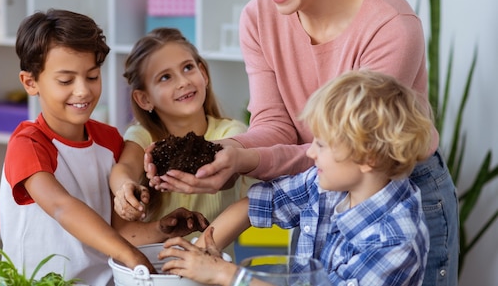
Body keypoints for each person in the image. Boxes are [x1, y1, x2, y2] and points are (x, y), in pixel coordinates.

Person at [144, 0, 458, 286]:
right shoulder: (259, 19)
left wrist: (246, 165)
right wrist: (223, 153)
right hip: (325, 177)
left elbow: (358, 147)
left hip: (393, 185)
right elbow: (276, 130)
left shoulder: (390, 27)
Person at [158, 70, 432, 286]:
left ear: (367, 157)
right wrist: (202, 251)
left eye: (322, 145)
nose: (310, 152)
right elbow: (254, 205)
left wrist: (225, 274)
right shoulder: (327, 184)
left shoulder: (396, 240)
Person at [0, 9, 209, 285]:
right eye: (66, 80)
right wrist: (131, 256)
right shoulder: (28, 144)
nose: (83, 90)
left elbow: (120, 232)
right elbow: (62, 207)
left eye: (92, 76)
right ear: (30, 82)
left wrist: (161, 229)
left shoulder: (109, 140)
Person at [109, 27, 250, 257]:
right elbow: (124, 168)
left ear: (203, 73)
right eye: (165, 77)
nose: (183, 81)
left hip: (214, 272)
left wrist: (196, 255)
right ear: (144, 99)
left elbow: (230, 172)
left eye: (188, 68)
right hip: (156, 272)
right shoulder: (142, 136)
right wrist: (123, 188)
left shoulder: (232, 132)